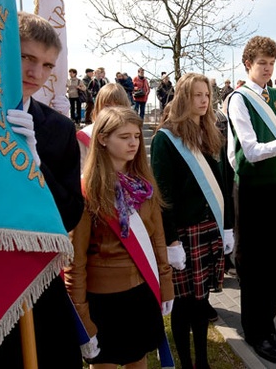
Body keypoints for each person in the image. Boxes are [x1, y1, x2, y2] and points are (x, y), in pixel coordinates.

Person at [0, 12, 84, 368]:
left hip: (37, 280)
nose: (36, 74)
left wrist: (33, 162)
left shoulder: (58, 129)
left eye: (46, 65)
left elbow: (72, 212)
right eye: (27, 58)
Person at [65, 106, 174, 368]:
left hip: (142, 292)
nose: (134, 143)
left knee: (139, 360)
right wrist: (82, 318)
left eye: (136, 136)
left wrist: (166, 285)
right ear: (102, 138)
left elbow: (157, 239)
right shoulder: (85, 190)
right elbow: (74, 261)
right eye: (124, 137)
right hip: (105, 300)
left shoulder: (144, 182)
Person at [151, 73, 234, 369]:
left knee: (201, 302)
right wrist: (171, 241)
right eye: (197, 95)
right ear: (184, 98)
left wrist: (228, 226)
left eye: (207, 95)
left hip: (210, 229)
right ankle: (186, 363)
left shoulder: (211, 133)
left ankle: (203, 362)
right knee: (184, 305)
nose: (204, 100)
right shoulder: (166, 138)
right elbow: (163, 196)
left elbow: (224, 182)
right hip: (184, 235)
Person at [226, 36, 276, 364]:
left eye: (271, 63)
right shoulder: (238, 99)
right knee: (254, 264)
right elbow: (252, 150)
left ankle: (269, 326)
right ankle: (254, 331)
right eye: (262, 63)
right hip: (253, 188)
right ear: (248, 65)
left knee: (273, 262)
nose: (268, 68)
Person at [77, 83, 131, 169]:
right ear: (98, 106)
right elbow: (81, 170)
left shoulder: (132, 134)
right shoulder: (86, 134)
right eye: (107, 106)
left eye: (118, 106)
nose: (113, 110)